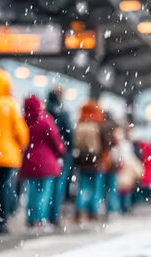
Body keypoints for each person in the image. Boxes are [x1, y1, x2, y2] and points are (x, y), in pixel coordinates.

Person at [0, 68, 29, 234]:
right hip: (7, 155)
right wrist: (21, 144)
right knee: (4, 187)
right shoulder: (10, 104)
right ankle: (2, 222)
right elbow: (21, 132)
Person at [20, 95, 65, 227]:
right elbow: (55, 140)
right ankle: (40, 219)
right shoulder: (45, 120)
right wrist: (61, 151)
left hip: (29, 161)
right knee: (44, 192)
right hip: (47, 162)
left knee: (32, 192)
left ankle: (30, 219)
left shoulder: (24, 120)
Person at [46, 86, 74, 226]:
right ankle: (53, 216)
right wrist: (67, 149)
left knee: (46, 186)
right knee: (58, 186)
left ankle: (42, 216)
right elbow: (70, 135)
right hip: (62, 155)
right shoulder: (63, 114)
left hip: (47, 154)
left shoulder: (45, 113)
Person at [73, 100, 106, 222]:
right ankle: (93, 212)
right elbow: (102, 144)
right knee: (95, 187)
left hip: (81, 160)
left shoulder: (79, 125)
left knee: (82, 186)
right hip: (94, 160)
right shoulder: (96, 126)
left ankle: (79, 210)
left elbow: (75, 143)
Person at [115, 127, 142, 213]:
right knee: (125, 189)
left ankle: (122, 207)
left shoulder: (122, 145)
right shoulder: (125, 145)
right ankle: (124, 207)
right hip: (125, 169)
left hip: (124, 170)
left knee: (123, 189)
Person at [101, 116, 119, 215]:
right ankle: (112, 209)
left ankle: (101, 208)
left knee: (102, 187)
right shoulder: (113, 129)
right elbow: (116, 143)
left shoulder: (100, 127)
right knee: (112, 187)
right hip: (112, 163)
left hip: (102, 162)